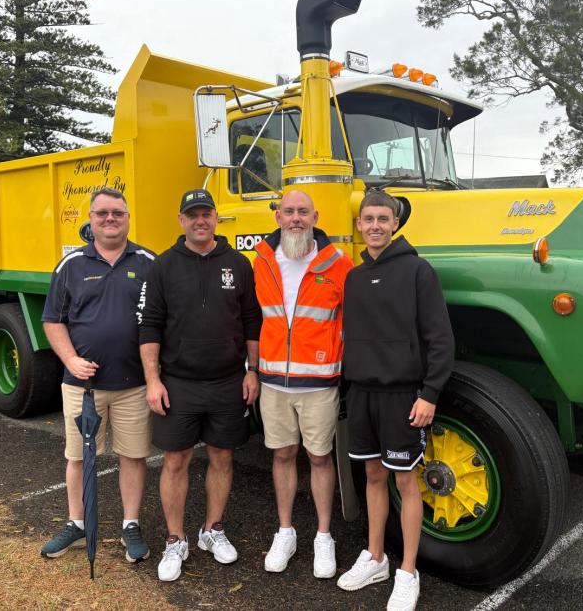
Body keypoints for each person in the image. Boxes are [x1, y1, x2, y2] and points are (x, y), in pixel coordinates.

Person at [338, 191, 454, 611]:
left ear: (395, 223)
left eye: (382, 218)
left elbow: (440, 339)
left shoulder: (418, 271)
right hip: (362, 393)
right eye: (367, 218)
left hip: (403, 396)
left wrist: (429, 394)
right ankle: (375, 558)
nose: (374, 225)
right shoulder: (353, 276)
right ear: (359, 225)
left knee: (405, 482)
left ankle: (407, 571)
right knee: (371, 476)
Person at [138, 188, 261, 582]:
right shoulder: (163, 266)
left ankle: (213, 530)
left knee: (223, 457)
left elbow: (251, 321)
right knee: (176, 461)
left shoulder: (239, 264)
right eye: (192, 214)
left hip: (228, 381)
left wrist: (252, 369)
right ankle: (176, 539)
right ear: (181, 220)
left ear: (216, 218)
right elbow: (150, 325)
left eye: (206, 213)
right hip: (179, 383)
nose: (200, 220)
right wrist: (153, 379)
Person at [40, 187, 155, 563]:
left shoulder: (148, 262)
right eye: (102, 213)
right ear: (90, 219)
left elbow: (160, 321)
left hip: (133, 385)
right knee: (77, 457)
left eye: (117, 213)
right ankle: (77, 523)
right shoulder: (71, 265)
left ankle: (130, 525)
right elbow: (52, 321)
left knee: (133, 456)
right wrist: (71, 360)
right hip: (81, 387)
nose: (110, 219)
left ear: (127, 217)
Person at [253, 190, 353, 578]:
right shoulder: (260, 261)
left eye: (303, 212)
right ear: (278, 216)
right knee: (281, 456)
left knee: (319, 458)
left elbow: (350, 319)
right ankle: (286, 532)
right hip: (274, 382)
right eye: (289, 211)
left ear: (316, 216)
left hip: (319, 382)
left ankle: (323, 537)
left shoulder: (338, 264)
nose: (296, 218)